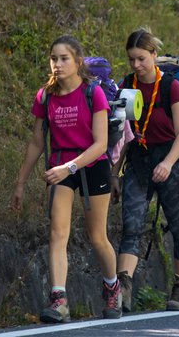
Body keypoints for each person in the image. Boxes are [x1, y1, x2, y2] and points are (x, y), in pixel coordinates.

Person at [11, 35, 121, 323]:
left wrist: (69, 168)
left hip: (92, 166)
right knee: (57, 234)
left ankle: (112, 287)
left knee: (98, 237)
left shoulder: (93, 93)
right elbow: (37, 142)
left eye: (64, 59)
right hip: (59, 167)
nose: (57, 64)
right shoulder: (45, 96)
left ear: (78, 62)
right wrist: (21, 183)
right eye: (53, 59)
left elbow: (100, 144)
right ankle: (58, 300)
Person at [111, 28, 179, 312]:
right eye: (132, 59)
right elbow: (124, 133)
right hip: (139, 159)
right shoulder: (127, 85)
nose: (136, 65)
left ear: (154, 56)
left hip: (172, 159)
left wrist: (168, 164)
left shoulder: (171, 86)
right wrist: (115, 173)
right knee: (132, 225)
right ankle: (123, 287)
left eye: (142, 58)